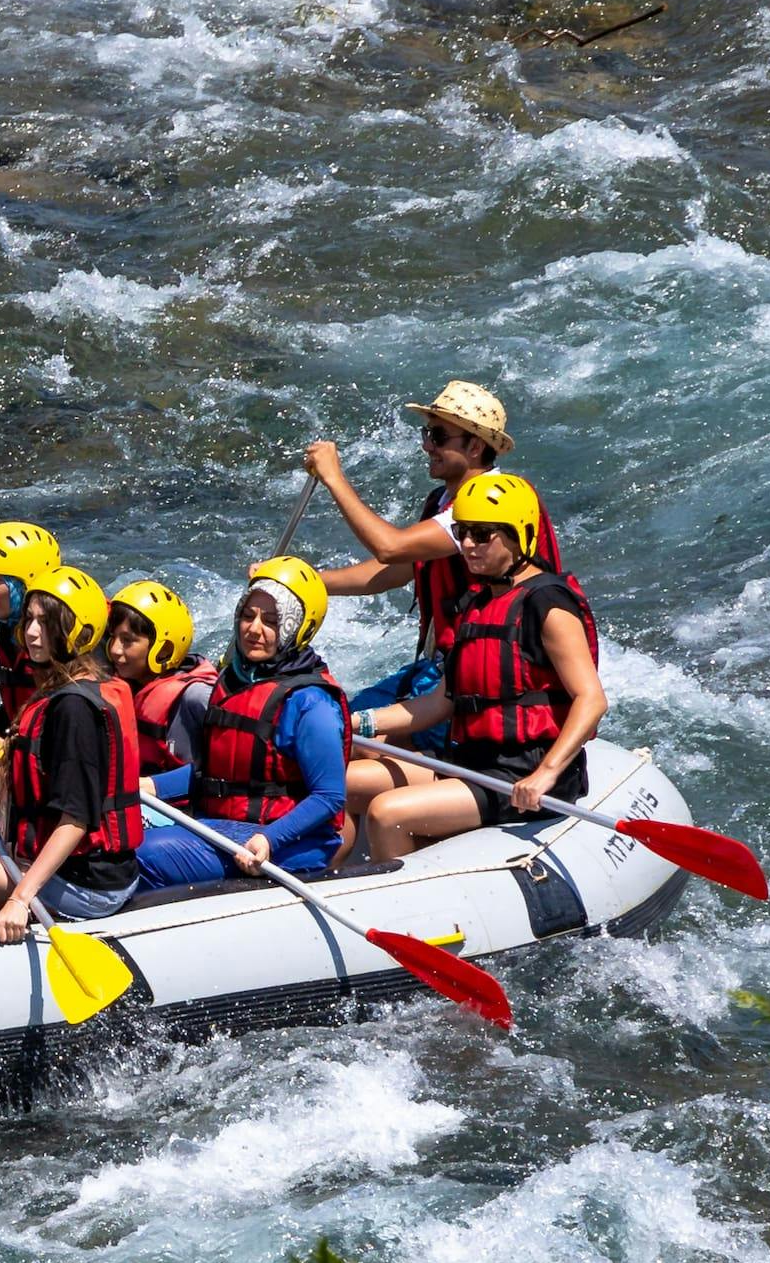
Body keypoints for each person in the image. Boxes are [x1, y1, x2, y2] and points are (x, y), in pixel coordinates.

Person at [358, 474, 607, 863]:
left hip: (524, 772)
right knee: (345, 782)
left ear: (519, 535)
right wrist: (356, 723)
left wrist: (545, 773)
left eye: (482, 534)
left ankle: (415, 910)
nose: (468, 546)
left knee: (387, 813)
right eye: (461, 533)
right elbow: (438, 705)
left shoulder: (548, 604)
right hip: (474, 763)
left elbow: (590, 699)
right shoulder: (475, 605)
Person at [302, 379, 564, 721]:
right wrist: (305, 582)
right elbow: (399, 570)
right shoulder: (443, 502)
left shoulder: (489, 506)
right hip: (443, 667)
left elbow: (390, 548)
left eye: (439, 437)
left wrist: (334, 478)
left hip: (483, 676)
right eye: (427, 434)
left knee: (347, 735)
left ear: (474, 447)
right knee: (341, 719)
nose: (427, 446)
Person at [0, 575, 140, 940]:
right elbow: (35, 780)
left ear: (77, 633)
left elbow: (76, 819)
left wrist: (21, 897)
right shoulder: (76, 688)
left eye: (47, 624)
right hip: (75, 868)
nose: (32, 633)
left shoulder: (73, 709)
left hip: (88, 883)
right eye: (30, 620)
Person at [137, 561, 351, 889]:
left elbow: (329, 796)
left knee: (143, 852)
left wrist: (270, 839)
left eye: (271, 621)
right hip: (227, 825)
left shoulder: (310, 702)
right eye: (248, 615)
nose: (254, 629)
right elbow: (217, 775)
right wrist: (148, 786)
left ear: (299, 628)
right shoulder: (236, 678)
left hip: (282, 842)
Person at [0, 517, 62, 751]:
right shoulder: (11, 628)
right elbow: (17, 709)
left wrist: (9, 750)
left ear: (26, 584)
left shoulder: (63, 644)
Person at [102, 578, 213, 778]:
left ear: (164, 650)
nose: (115, 649)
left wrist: (155, 786)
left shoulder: (197, 697)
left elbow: (226, 771)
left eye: (127, 641)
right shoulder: (123, 680)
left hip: (176, 806)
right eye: (113, 637)